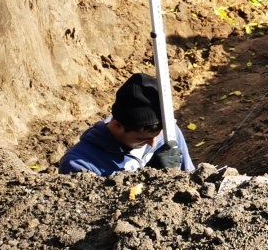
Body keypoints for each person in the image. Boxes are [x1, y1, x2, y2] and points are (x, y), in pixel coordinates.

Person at [58, 72, 193, 175]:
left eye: (156, 135)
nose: (153, 143)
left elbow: (191, 179)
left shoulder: (168, 133)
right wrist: (150, 176)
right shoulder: (79, 163)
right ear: (118, 125)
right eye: (141, 138)